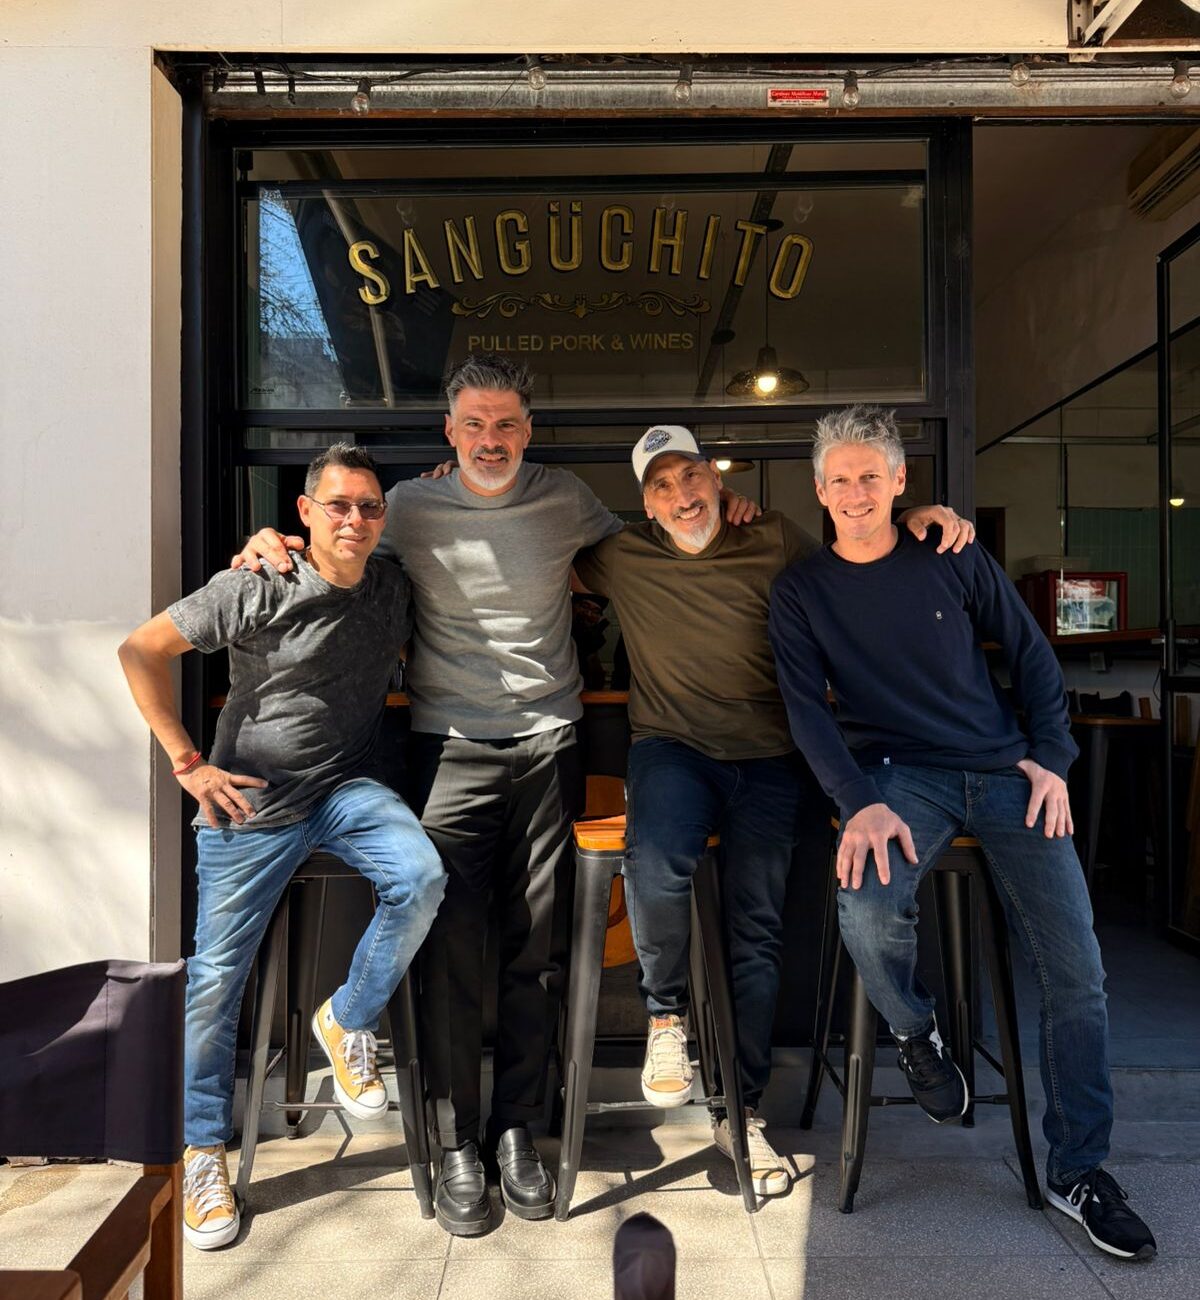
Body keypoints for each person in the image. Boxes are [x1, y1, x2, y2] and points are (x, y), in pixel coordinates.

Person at [231, 357, 759, 1236]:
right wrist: (269, 544)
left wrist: (729, 505)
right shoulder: (407, 507)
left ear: (528, 429)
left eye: (506, 423)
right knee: (449, 952)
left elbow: (663, 543)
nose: (490, 440)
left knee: (534, 953)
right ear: (449, 431)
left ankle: (518, 1131)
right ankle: (456, 1141)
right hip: (447, 749)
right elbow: (337, 554)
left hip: (549, 744)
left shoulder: (567, 500)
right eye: (474, 424)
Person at [768, 405, 1156, 1261]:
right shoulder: (801, 591)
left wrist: (1051, 757)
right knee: (868, 907)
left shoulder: (951, 553)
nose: (856, 493)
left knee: (1078, 971)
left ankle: (1079, 1171)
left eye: (872, 476)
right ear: (819, 490)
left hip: (1008, 772)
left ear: (901, 480)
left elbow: (1032, 655)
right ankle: (917, 1033)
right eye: (840, 479)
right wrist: (856, 798)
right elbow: (805, 710)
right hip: (898, 776)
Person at [573, 424, 973, 1195]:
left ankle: (741, 1112)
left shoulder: (776, 537)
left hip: (771, 756)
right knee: (656, 859)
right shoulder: (620, 554)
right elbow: (532, 560)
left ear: (716, 479)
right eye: (662, 486)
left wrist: (919, 518)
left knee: (755, 933)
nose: (682, 496)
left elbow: (858, 557)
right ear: (645, 505)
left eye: (692, 476)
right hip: (673, 748)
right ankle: (666, 1018)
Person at [118, 443, 446, 1251]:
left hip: (346, 789)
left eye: (369, 506)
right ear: (304, 512)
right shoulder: (258, 581)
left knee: (421, 876)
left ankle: (347, 1018)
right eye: (338, 505)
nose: (354, 519)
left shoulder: (391, 587)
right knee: (216, 980)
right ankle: (202, 1151)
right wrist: (188, 764)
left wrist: (451, 481)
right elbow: (140, 651)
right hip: (252, 801)